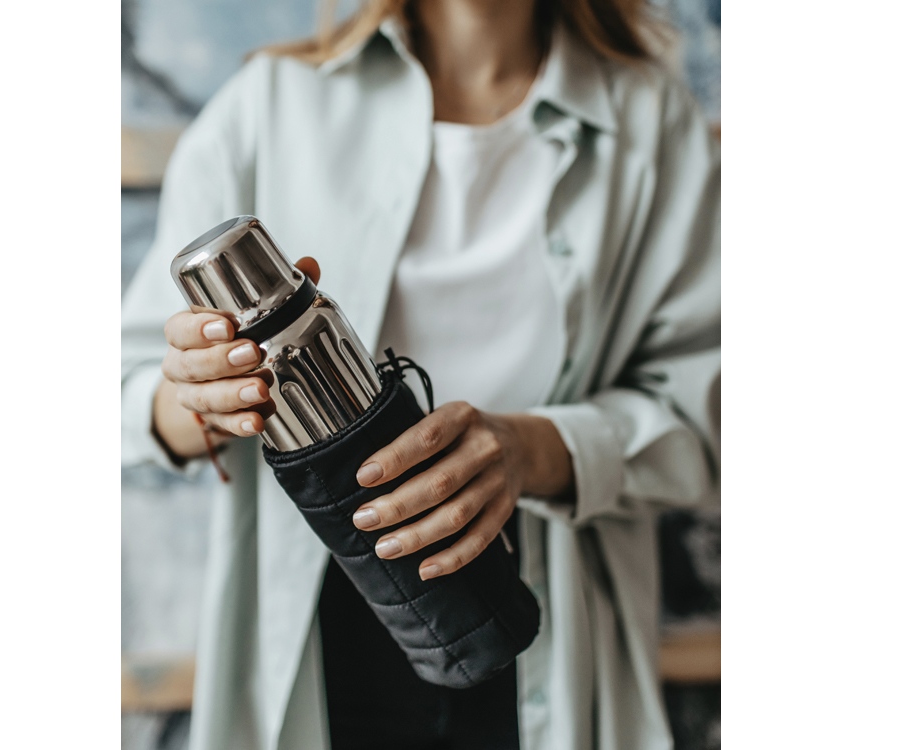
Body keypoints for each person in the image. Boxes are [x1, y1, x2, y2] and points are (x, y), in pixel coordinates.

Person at [121, 0, 720, 748]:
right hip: (318, 632)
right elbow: (127, 394)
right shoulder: (269, 106)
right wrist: (204, 396)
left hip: (546, 624)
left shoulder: (651, 120)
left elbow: (704, 417)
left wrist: (531, 451)